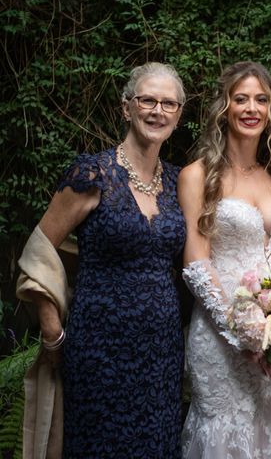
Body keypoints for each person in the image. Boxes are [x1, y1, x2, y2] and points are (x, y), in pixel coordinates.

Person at [17, 62, 187, 457]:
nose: (157, 111)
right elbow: (38, 251)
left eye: (168, 104)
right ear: (126, 107)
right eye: (147, 100)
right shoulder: (92, 174)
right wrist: (53, 333)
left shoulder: (181, 183)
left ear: (179, 115)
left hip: (161, 352)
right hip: (99, 351)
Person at [178, 61, 271, 458]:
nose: (251, 108)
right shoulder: (198, 175)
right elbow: (196, 262)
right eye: (240, 99)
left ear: (270, 110)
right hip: (222, 335)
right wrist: (246, 334)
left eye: (261, 99)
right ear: (223, 108)